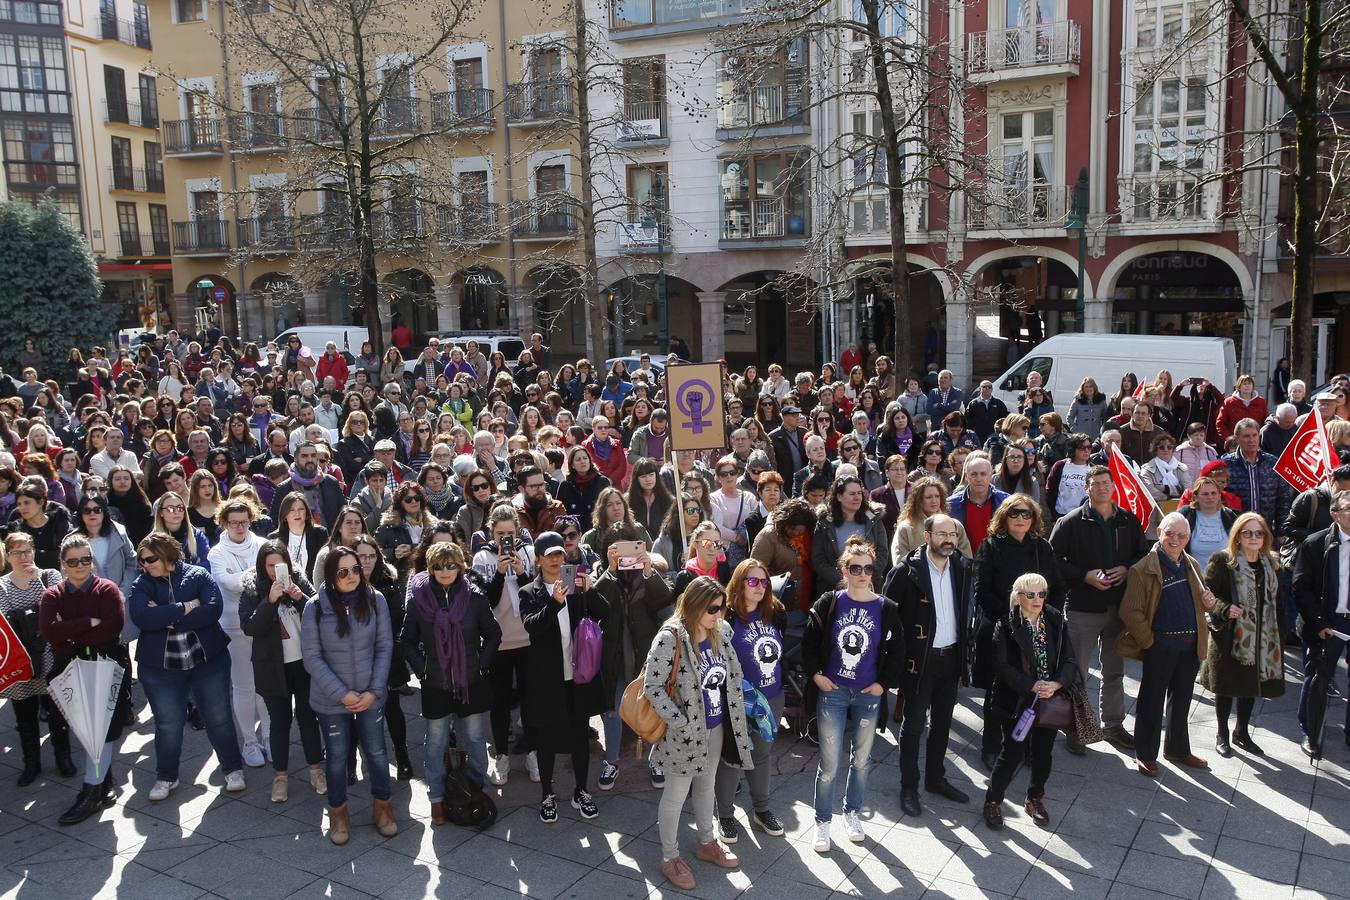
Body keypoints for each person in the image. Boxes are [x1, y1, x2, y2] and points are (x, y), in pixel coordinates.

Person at [643, 576, 753, 890]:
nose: (719, 615)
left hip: (716, 725)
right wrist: (679, 721)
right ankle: (670, 857)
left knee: (706, 787)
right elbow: (652, 687)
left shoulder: (719, 632)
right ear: (694, 606)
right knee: (676, 795)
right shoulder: (671, 637)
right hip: (684, 732)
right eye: (713, 609)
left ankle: (707, 842)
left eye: (722, 609)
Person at [130, 531, 246, 803]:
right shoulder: (142, 584)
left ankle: (233, 769)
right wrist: (184, 607)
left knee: (218, 717)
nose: (145, 566)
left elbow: (213, 609)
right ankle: (166, 776)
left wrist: (168, 616)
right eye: (142, 561)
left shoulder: (197, 574)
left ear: (166, 554)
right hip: (161, 668)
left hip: (208, 662)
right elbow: (141, 616)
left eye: (150, 559)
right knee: (168, 723)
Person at [803, 536, 901, 850]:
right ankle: (822, 821)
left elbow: (899, 649)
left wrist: (884, 684)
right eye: (855, 567)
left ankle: (853, 812)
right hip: (833, 691)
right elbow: (808, 642)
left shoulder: (886, 608)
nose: (862, 573)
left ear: (874, 570)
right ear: (844, 569)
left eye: (867, 568)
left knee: (862, 760)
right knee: (830, 763)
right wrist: (816, 675)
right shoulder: (829, 602)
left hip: (868, 693)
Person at [1048, 465, 1147, 753]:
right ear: (1087, 488)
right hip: (1083, 607)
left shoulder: (1127, 520)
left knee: (1115, 670)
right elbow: (1052, 560)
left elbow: (1143, 553)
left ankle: (1113, 725)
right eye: (1096, 483)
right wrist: (1083, 576)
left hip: (1119, 608)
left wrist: (1127, 569)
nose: (1102, 487)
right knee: (1076, 670)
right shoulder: (1071, 521)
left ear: (1113, 486)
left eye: (1106, 482)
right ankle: (1075, 728)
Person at [401, 541, 501, 824]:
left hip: (470, 681)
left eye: (451, 565)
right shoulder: (418, 601)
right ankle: (437, 799)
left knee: (475, 739)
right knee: (435, 741)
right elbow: (406, 641)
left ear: (460, 566)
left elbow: (493, 634)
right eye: (438, 566)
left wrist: (481, 665)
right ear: (430, 569)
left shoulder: (475, 598)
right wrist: (421, 669)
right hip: (435, 683)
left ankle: (478, 791)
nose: (445, 571)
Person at [303, 546, 396, 844]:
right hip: (332, 700)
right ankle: (338, 814)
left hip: (371, 695)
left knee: (378, 753)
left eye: (355, 568)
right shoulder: (315, 607)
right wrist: (342, 694)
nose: (352, 576)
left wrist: (373, 691)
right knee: (337, 758)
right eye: (343, 571)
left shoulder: (375, 599)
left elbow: (384, 647)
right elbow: (312, 658)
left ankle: (382, 808)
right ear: (331, 574)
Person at [39, 535, 131, 826]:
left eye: (86, 559)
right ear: (63, 565)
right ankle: (102, 785)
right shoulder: (52, 595)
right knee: (85, 726)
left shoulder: (107, 590)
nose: (81, 566)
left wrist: (70, 632)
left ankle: (92, 790)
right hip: (70, 666)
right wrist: (86, 625)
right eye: (73, 561)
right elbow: (49, 632)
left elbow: (111, 627)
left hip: (107, 663)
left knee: (102, 729)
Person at [885, 514, 973, 818]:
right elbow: (888, 616)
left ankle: (936, 779)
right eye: (942, 534)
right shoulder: (906, 571)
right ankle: (909, 786)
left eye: (953, 533)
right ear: (927, 537)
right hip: (920, 662)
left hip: (951, 658)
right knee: (913, 725)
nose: (949, 539)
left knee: (943, 723)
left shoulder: (961, 567)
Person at [1117, 512, 1217, 776]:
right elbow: (1130, 611)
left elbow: (1204, 602)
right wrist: (1150, 642)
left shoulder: (1192, 564)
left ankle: (1177, 748)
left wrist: (1210, 603)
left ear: (1188, 537)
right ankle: (1146, 753)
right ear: (1159, 532)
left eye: (1181, 535)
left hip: (1189, 644)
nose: (1175, 539)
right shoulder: (1144, 568)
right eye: (1169, 533)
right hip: (1160, 645)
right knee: (1151, 700)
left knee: (1182, 700)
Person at [518, 531, 609, 823]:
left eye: (560, 554)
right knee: (546, 739)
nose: (556, 560)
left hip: (579, 676)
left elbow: (605, 612)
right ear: (539, 559)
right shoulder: (529, 592)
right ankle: (547, 793)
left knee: (580, 737)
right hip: (547, 680)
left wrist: (590, 590)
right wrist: (555, 602)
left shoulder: (576, 586)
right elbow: (532, 626)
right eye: (550, 555)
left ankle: (581, 791)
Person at [971, 494, 1063, 771]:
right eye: (1014, 513)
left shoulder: (1042, 548)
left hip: (1037, 632)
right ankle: (990, 746)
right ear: (1004, 517)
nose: (1021, 519)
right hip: (1001, 631)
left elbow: (1057, 587)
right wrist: (1012, 622)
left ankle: (1020, 746)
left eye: (1026, 514)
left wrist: (1042, 620)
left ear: (1034, 518)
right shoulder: (990, 547)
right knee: (996, 694)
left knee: (1030, 691)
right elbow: (982, 590)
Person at [982, 572, 1078, 830]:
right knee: (1011, 754)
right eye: (1031, 594)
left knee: (1043, 754)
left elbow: (1069, 659)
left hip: (1048, 701)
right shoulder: (1007, 624)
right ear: (1018, 596)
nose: (1038, 599)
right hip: (1018, 702)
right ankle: (993, 800)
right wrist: (1031, 685)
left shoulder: (1056, 620)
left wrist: (1056, 684)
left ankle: (1035, 797)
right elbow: (1001, 666)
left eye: (1042, 594)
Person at [239, 540, 326, 802]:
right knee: (279, 722)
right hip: (271, 667)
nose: (276, 570)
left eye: (281, 564)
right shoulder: (252, 588)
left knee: (308, 718)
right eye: (270, 565)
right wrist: (269, 601)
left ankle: (315, 770)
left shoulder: (298, 578)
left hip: (303, 664)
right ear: (261, 566)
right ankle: (280, 777)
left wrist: (300, 599)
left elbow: (320, 611)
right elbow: (250, 627)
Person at [713, 558, 787, 843]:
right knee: (733, 759)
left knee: (762, 756)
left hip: (773, 696)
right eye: (752, 581)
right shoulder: (725, 616)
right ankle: (726, 815)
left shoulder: (775, 612)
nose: (759, 587)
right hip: (737, 701)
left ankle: (762, 810)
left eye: (764, 581)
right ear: (740, 583)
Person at [1200, 512, 1284, 759]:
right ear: (1237, 536)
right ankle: (1222, 734)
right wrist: (1225, 608)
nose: (1254, 537)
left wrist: (1281, 633)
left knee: (1250, 687)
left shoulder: (1272, 564)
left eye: (1259, 533)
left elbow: (1278, 603)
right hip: (1229, 636)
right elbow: (1207, 595)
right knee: (1225, 687)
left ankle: (1242, 732)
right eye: (1247, 533)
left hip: (1263, 637)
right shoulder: (1223, 561)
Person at [594, 538, 671, 790]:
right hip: (615, 656)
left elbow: (665, 605)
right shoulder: (606, 575)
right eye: (620, 551)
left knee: (652, 707)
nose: (628, 558)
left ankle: (657, 758)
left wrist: (649, 572)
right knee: (613, 710)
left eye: (633, 550)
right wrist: (610, 570)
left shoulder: (650, 575)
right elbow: (597, 606)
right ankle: (611, 761)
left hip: (644, 656)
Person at [0, 532, 72, 786]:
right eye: (16, 552)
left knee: (57, 712)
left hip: (50, 654)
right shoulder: (2, 586)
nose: (23, 557)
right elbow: (7, 622)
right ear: (7, 556)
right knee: (25, 715)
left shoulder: (48, 576)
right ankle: (31, 763)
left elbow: (57, 609)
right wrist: (33, 615)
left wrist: (38, 589)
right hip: (21, 660)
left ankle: (63, 757)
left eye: (27, 551)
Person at [476, 505, 540, 785]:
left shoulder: (527, 551)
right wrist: (500, 574)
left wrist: (522, 571)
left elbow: (535, 595)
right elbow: (484, 601)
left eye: (510, 534)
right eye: (500, 534)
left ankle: (533, 753)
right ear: (492, 532)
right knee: (500, 702)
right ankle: (501, 756)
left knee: (531, 700)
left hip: (526, 638)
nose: (506, 540)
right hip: (499, 641)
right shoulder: (481, 557)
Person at [207, 498, 270, 768]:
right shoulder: (216, 552)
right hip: (233, 625)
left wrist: (242, 576)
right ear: (224, 523)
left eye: (244, 521)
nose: (239, 527)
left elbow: (267, 578)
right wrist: (254, 575)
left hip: (264, 623)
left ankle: (268, 736)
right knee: (244, 687)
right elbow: (228, 583)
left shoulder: (261, 545)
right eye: (233, 523)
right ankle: (249, 741)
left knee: (266, 686)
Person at [1291, 490, 1350, 760]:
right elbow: (1301, 588)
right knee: (1318, 679)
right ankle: (1312, 735)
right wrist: (1318, 623)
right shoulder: (1316, 544)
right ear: (1335, 515)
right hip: (1327, 623)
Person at [948, 455, 1007, 554]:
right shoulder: (951, 505)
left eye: (983, 474)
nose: (979, 478)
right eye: (974, 474)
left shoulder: (1005, 502)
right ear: (966, 476)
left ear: (991, 475)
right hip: (963, 563)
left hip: (998, 562)